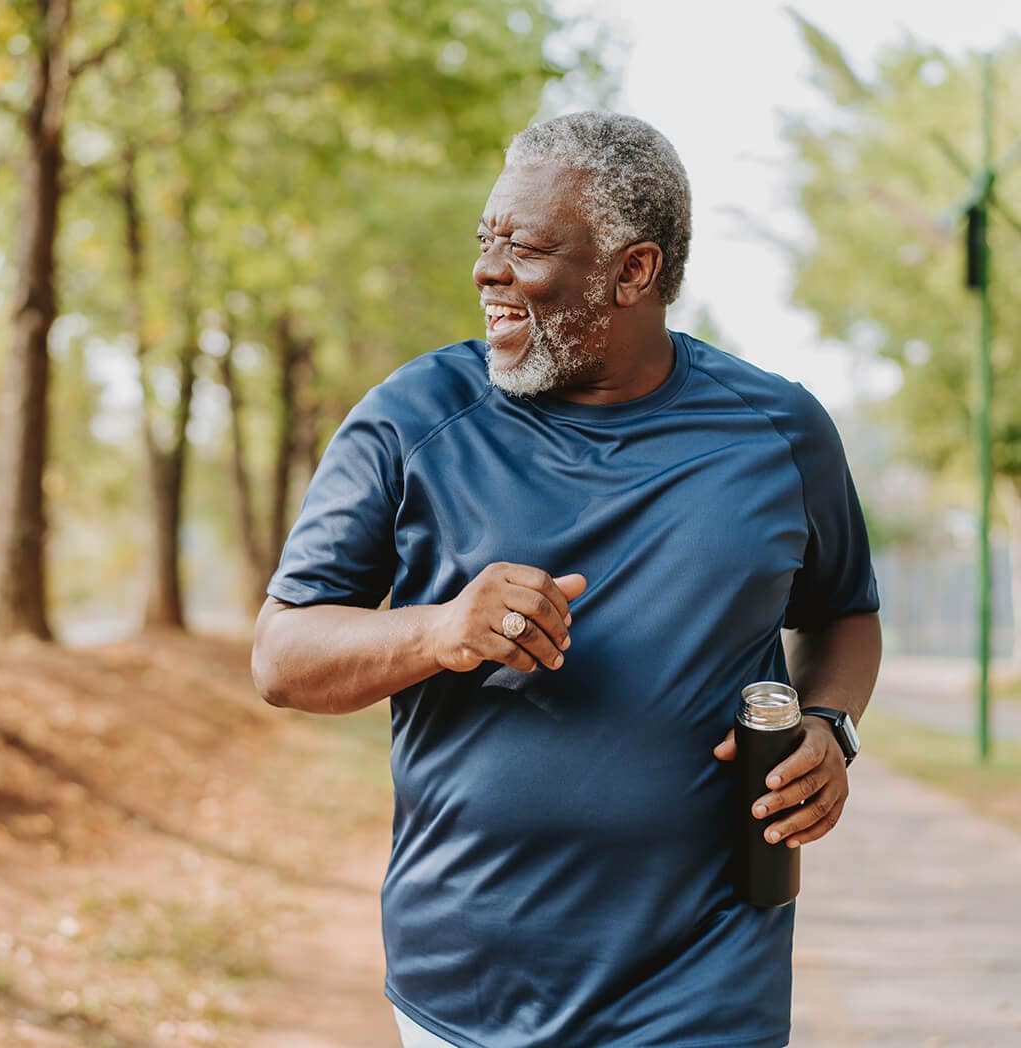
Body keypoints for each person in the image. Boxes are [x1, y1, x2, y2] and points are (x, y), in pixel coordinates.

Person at [251, 111, 881, 1048]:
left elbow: (844, 614)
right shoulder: (413, 419)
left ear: (634, 271)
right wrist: (437, 631)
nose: (487, 272)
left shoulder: (779, 433)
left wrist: (829, 726)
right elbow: (282, 654)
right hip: (469, 986)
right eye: (485, 241)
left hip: (708, 980)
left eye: (527, 247)